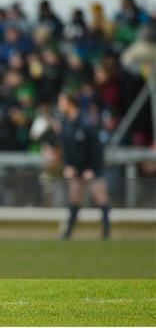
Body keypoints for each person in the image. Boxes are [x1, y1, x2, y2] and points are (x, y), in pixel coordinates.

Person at [57, 92, 111, 240]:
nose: (59, 105)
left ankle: (106, 232)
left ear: (70, 104)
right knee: (73, 199)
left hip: (91, 168)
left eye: (62, 102)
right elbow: (65, 148)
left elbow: (97, 149)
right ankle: (68, 232)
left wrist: (92, 169)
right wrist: (67, 166)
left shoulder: (87, 124)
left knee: (100, 198)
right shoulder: (66, 124)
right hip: (76, 168)